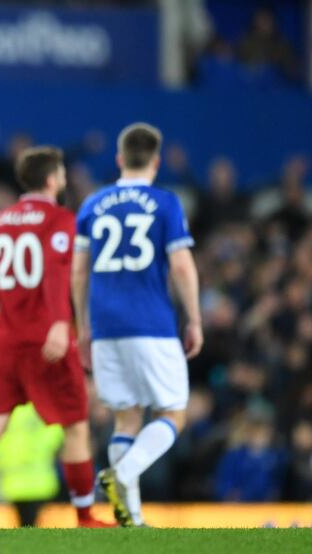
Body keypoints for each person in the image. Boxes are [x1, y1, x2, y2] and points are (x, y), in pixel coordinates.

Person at [0, 147, 114, 529]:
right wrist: (60, 322)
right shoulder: (59, 220)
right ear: (53, 179)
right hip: (48, 339)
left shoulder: (0, 220)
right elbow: (59, 275)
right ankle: (85, 514)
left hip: (7, 337)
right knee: (75, 425)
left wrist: (14, 303)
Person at [71, 123, 203, 527]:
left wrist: (84, 327)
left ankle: (133, 515)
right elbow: (181, 264)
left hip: (107, 326)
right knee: (174, 413)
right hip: (152, 323)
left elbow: (78, 272)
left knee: (126, 418)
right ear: (157, 162)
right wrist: (195, 318)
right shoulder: (166, 203)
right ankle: (123, 474)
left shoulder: (93, 204)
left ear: (119, 159)